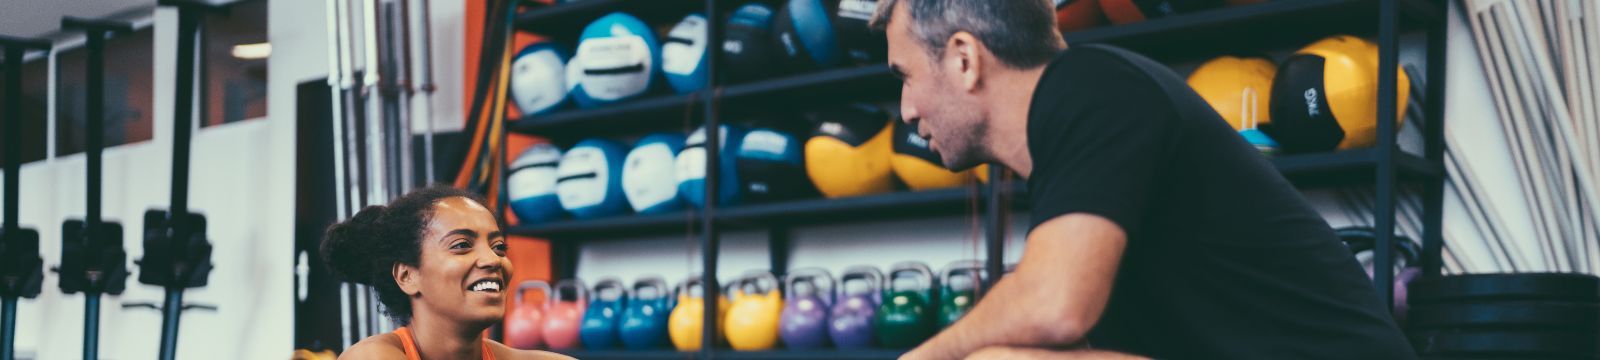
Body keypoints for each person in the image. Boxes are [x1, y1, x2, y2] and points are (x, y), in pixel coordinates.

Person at [870, 1, 1416, 359]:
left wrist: (926, 356)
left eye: (906, 76)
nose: (907, 110)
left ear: (965, 59)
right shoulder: (1068, 139)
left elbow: (1054, 306)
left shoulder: (1094, 86)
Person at [321, 186, 573, 360]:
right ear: (407, 276)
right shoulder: (370, 356)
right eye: (462, 245)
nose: (492, 259)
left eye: (499, 247)